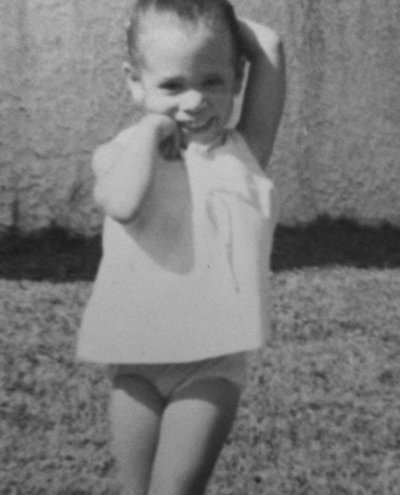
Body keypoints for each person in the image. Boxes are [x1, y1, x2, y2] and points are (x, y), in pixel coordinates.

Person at [77, 0, 285, 493]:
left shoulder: (244, 151)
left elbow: (271, 46)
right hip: (136, 363)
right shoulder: (124, 151)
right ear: (135, 82)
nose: (194, 101)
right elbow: (122, 203)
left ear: (237, 77)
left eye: (212, 80)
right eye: (172, 85)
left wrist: (208, 22)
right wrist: (151, 128)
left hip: (210, 365)